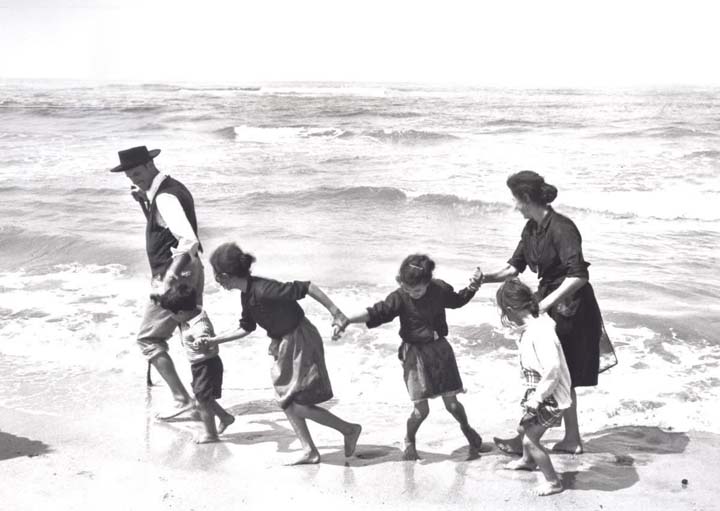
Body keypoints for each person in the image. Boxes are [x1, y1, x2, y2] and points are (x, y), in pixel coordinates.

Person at [475, 170, 605, 455]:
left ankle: (529, 438)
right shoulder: (532, 229)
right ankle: (570, 438)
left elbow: (579, 276)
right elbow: (513, 267)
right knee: (559, 373)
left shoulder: (562, 228)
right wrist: (485, 278)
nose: (514, 206)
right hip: (550, 303)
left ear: (525, 198)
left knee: (557, 373)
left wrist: (545, 304)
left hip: (573, 308)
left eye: (515, 199)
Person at [205, 242, 362, 465]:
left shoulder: (264, 289)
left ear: (223, 275)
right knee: (286, 400)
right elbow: (246, 327)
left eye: (216, 275)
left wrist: (336, 313)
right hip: (285, 342)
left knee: (293, 402)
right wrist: (215, 340)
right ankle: (310, 450)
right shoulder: (247, 293)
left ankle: (348, 430)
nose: (216, 280)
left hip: (301, 339)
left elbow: (306, 287)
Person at [334, 254, 484, 461]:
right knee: (421, 410)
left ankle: (467, 428)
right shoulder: (399, 296)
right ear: (400, 282)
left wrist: (473, 287)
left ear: (428, 282)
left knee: (453, 404)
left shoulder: (439, 289)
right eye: (408, 288)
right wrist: (348, 320)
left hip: (440, 350)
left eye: (418, 290)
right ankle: (410, 440)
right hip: (414, 354)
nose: (412, 293)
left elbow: (458, 301)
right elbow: (377, 312)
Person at [110, 145, 203, 419]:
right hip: (191, 270)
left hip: (175, 273)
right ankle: (207, 402)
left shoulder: (164, 198)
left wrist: (169, 277)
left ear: (150, 165)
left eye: (137, 173)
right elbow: (167, 228)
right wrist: (145, 198)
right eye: (129, 176)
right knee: (193, 335)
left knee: (148, 339)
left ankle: (182, 399)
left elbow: (188, 241)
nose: (134, 179)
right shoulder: (170, 189)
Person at [495, 278, 570, 496]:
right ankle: (527, 461)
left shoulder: (541, 332)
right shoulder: (536, 324)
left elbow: (553, 369)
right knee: (523, 428)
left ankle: (553, 482)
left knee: (530, 438)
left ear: (509, 309)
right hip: (539, 391)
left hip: (550, 396)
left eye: (503, 311)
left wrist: (537, 399)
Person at [152, 282, 235, 444]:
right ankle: (225, 417)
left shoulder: (199, 326)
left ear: (182, 312)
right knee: (203, 397)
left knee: (203, 400)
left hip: (207, 365)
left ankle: (211, 434)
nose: (171, 317)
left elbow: (203, 333)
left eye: (172, 314)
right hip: (201, 365)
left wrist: (200, 341)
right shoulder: (192, 312)